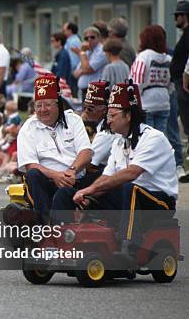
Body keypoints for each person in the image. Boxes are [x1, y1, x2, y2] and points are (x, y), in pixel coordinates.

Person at [56, 82, 177, 262]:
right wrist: (88, 194)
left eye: (112, 115)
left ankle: (130, 246)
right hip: (130, 198)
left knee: (130, 188)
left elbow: (131, 173)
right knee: (71, 192)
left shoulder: (153, 138)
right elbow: (107, 176)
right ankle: (63, 239)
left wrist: (89, 190)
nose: (108, 120)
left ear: (128, 115)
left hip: (159, 203)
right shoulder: (119, 142)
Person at [17, 74, 93, 223]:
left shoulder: (73, 120)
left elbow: (86, 153)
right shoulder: (28, 128)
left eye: (47, 105)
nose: (42, 110)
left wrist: (71, 170)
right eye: (38, 105)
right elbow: (30, 164)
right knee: (32, 174)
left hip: (75, 180)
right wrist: (55, 176)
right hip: (47, 184)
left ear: (58, 103)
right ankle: (47, 224)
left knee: (107, 175)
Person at [130, 25, 171, 133]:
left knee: (146, 136)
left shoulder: (143, 56)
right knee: (161, 135)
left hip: (146, 103)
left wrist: (133, 101)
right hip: (164, 101)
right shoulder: (167, 58)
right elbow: (171, 83)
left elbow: (137, 82)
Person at [72, 27, 107, 101]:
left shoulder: (101, 51)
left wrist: (81, 53)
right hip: (84, 91)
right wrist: (83, 70)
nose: (89, 40)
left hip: (95, 92)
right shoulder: (87, 51)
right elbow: (75, 73)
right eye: (86, 38)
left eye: (92, 37)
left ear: (99, 38)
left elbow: (88, 68)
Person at [170, 1, 189, 140]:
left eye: (177, 15)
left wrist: (185, 75)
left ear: (185, 16)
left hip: (185, 84)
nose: (175, 19)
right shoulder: (185, 35)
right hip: (180, 83)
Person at [62, 21, 81, 95]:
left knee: (73, 94)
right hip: (71, 72)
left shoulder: (73, 41)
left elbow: (73, 59)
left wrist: (72, 71)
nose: (63, 32)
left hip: (73, 72)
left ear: (70, 30)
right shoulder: (70, 40)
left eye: (65, 30)